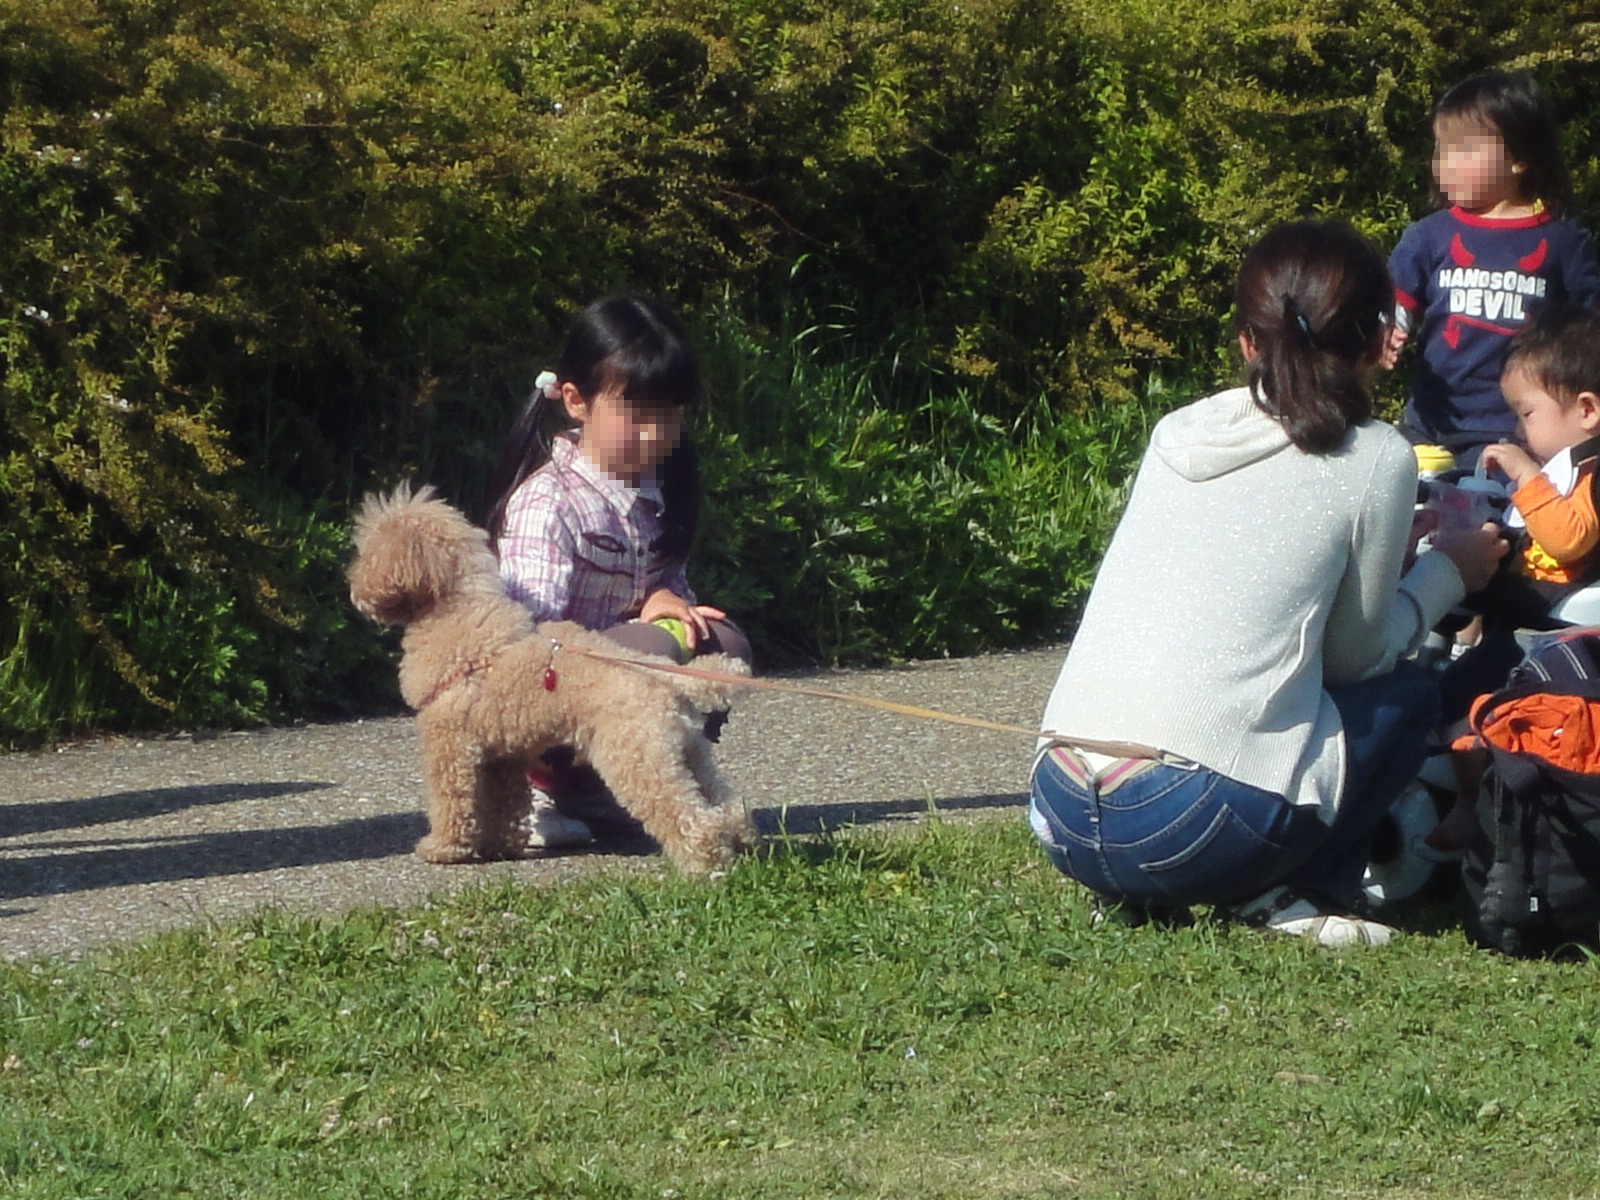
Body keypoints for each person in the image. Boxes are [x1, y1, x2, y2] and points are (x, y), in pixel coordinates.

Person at [1028, 220, 1507, 948]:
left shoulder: (1176, 431)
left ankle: (1144, 889)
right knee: (1407, 696)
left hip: (1061, 811)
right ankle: (1296, 894)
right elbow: (1358, 661)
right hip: (1190, 823)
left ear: (1246, 340)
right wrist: (1447, 570)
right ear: (1382, 339)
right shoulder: (1377, 455)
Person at [482, 294, 752, 846]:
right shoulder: (548, 503)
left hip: (614, 693)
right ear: (576, 401)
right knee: (647, 655)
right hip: (553, 690)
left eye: (670, 416)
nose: (656, 435)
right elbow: (525, 641)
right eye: (638, 415)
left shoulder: (655, 491)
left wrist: (665, 598)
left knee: (720, 645)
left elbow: (667, 582)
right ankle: (538, 788)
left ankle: (611, 786)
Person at [1423, 304, 1600, 855]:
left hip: (1555, 639)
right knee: (1447, 696)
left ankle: (1475, 811)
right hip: (1523, 619)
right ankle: (1465, 799)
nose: (1517, 428)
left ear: (1587, 409)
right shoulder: (1563, 471)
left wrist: (1525, 476)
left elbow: (1569, 538)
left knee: (1471, 706)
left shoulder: (1593, 473)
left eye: (1526, 413)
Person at [1386, 71, 1600, 468]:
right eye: (1440, 149)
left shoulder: (1562, 239)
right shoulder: (1429, 235)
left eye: (1463, 150)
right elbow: (1397, 294)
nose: (1446, 163)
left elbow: (1588, 321)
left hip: (1519, 430)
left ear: (1519, 158)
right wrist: (1391, 327)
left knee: (1502, 520)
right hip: (1432, 424)